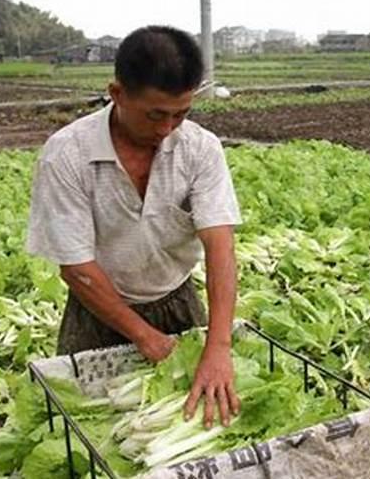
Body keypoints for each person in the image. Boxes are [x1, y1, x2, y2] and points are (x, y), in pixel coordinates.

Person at [27, 25, 241, 428]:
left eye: (181, 114)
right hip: (99, 312)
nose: (166, 129)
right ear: (118, 94)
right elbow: (76, 267)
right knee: (92, 424)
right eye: (155, 115)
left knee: (196, 415)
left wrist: (218, 345)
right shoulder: (67, 154)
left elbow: (220, 246)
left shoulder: (200, 149)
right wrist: (142, 335)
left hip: (178, 301)